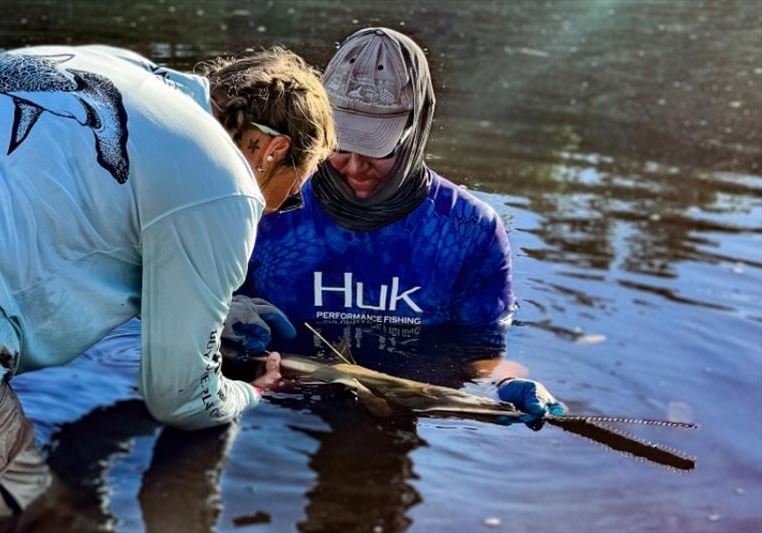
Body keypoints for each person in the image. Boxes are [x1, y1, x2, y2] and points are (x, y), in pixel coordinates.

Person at [0, 44, 335, 520]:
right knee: (47, 520)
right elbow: (179, 399)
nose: (280, 207)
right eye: (294, 191)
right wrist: (251, 392)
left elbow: (65, 217)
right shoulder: (226, 180)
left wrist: (211, 312)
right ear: (271, 150)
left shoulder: (116, 71)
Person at [232, 28, 565, 423]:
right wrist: (225, 322)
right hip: (280, 412)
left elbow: (482, 351)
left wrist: (506, 384)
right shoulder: (268, 205)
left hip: (402, 413)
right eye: (339, 145)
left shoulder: (470, 231)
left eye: (378, 147)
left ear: (416, 129)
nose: (355, 166)